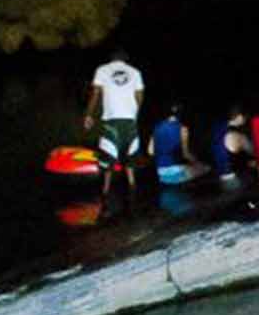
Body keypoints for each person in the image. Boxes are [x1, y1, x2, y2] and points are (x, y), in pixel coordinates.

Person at [81, 47, 144, 209]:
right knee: (130, 162)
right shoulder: (135, 72)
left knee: (107, 162)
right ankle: (134, 197)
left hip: (111, 122)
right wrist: (134, 113)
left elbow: (96, 93)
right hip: (130, 121)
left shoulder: (102, 70)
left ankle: (105, 196)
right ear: (125, 60)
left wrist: (89, 115)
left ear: (112, 59)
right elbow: (140, 95)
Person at [151, 103, 207, 185]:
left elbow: (151, 151)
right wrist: (198, 162)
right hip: (176, 173)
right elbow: (186, 154)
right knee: (206, 168)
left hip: (160, 174)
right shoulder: (183, 128)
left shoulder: (156, 126)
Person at [211, 104, 254, 184]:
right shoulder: (237, 134)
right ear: (240, 117)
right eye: (245, 119)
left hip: (216, 173)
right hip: (230, 176)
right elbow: (251, 152)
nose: (245, 121)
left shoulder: (217, 126)